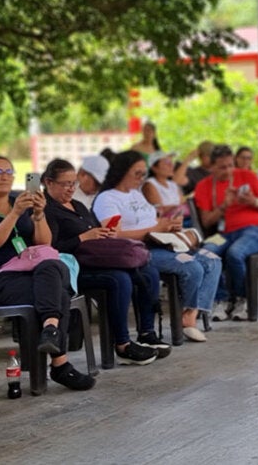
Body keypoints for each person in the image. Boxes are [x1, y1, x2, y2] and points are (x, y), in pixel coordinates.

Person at [0, 155, 95, 390]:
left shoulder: (19, 201)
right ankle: (60, 364)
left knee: (53, 264)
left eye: (9, 172)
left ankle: (51, 330)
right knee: (57, 292)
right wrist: (14, 215)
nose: (5, 177)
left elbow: (45, 245)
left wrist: (39, 216)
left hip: (36, 273)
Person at [43, 158, 169, 365]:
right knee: (120, 279)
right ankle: (122, 344)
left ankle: (147, 332)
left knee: (148, 271)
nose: (71, 189)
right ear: (49, 183)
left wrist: (105, 233)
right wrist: (82, 238)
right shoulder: (47, 210)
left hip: (97, 259)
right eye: (65, 184)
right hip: (73, 267)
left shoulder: (78, 206)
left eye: (73, 184)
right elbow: (50, 248)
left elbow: (94, 231)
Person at [93, 151, 221, 343]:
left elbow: (152, 220)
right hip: (138, 250)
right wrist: (156, 228)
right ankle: (186, 322)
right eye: (137, 173)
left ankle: (190, 314)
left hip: (161, 242)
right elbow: (115, 234)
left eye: (143, 174)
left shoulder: (136, 194)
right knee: (191, 266)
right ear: (122, 172)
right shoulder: (107, 199)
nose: (141, 178)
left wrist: (168, 225)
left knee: (212, 259)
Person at [193, 145, 258, 322]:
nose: (229, 170)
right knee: (207, 252)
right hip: (225, 232)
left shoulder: (247, 176)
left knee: (235, 253)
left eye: (230, 165)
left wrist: (254, 201)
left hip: (254, 229)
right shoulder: (204, 186)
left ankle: (242, 300)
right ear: (211, 167)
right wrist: (224, 206)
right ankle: (220, 299)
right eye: (223, 167)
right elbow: (206, 221)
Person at [142, 151, 191, 224]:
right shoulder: (150, 184)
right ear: (154, 168)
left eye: (171, 162)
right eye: (167, 162)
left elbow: (182, 203)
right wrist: (177, 207)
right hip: (168, 224)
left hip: (182, 220)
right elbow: (160, 211)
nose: (171, 165)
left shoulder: (172, 184)